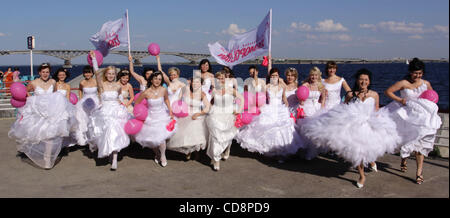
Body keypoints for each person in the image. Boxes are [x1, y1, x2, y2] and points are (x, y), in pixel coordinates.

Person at [299, 69, 400, 188]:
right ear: (357, 80)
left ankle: (371, 160)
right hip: (354, 127)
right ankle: (362, 175)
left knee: (370, 149)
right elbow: (343, 109)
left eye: (366, 80)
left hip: (369, 125)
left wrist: (378, 121)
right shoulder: (350, 95)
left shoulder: (374, 94)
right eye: (361, 79)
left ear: (369, 81)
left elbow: (376, 109)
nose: (363, 82)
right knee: (357, 152)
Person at [383, 57, 442, 184]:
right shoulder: (404, 83)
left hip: (421, 119)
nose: (418, 75)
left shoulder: (426, 84)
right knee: (405, 141)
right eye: (415, 73)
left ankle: (419, 173)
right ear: (410, 72)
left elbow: (432, 99)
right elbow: (388, 91)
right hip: (406, 116)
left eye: (420, 73)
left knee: (419, 145)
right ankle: (404, 159)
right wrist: (400, 100)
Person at [8, 63, 73, 169]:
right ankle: (40, 153)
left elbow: (55, 95)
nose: (45, 74)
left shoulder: (53, 82)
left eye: (47, 72)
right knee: (40, 134)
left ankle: (47, 158)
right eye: (43, 72)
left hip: (51, 112)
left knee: (51, 135)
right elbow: (26, 92)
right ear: (39, 72)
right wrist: (33, 101)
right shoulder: (33, 82)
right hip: (38, 112)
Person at [236, 68, 302, 161]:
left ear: (279, 76)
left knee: (281, 131)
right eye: (272, 76)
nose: (274, 77)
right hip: (269, 109)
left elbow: (284, 98)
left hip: (280, 110)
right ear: (270, 77)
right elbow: (261, 98)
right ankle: (269, 151)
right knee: (268, 130)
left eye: (276, 75)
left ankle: (281, 153)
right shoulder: (266, 87)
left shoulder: (282, 87)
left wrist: (287, 106)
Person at [87, 51, 131, 171]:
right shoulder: (102, 85)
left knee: (115, 133)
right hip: (105, 111)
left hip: (116, 111)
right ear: (105, 74)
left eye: (113, 73)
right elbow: (96, 72)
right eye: (109, 73)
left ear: (115, 75)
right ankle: (109, 153)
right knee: (106, 134)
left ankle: (115, 159)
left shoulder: (118, 86)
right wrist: (94, 59)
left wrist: (123, 106)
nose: (111, 75)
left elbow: (119, 98)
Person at [135, 71, 176, 167]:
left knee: (161, 138)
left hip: (162, 116)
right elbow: (137, 103)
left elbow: (166, 100)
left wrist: (170, 110)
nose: (157, 81)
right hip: (150, 117)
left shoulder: (163, 90)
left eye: (159, 79)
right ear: (151, 79)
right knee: (152, 140)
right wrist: (141, 114)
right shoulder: (146, 92)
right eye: (155, 78)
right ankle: (157, 153)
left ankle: (162, 155)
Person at [206, 70, 244, 171]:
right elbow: (211, 102)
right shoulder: (214, 91)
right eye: (218, 78)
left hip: (229, 114)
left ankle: (227, 149)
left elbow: (242, 99)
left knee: (228, 136)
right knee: (216, 137)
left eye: (222, 78)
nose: (220, 80)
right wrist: (208, 110)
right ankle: (216, 159)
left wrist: (239, 111)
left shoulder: (231, 90)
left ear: (225, 79)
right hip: (216, 114)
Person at [167, 77, 211, 160]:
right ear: (190, 83)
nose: (195, 84)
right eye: (193, 82)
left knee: (195, 133)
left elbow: (207, 107)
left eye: (197, 82)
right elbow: (177, 100)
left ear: (201, 84)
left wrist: (198, 113)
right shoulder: (186, 90)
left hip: (197, 115)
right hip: (185, 114)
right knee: (185, 134)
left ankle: (196, 152)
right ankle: (188, 151)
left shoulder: (202, 94)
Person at [74, 65, 99, 146]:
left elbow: (100, 91)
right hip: (85, 103)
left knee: (94, 121)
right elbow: (80, 91)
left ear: (92, 73)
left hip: (95, 102)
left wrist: (100, 100)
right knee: (84, 121)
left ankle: (95, 138)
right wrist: (80, 99)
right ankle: (85, 138)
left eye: (89, 72)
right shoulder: (82, 82)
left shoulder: (96, 81)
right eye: (85, 73)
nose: (87, 74)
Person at [53, 68, 77, 148]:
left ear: (66, 76)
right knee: (56, 126)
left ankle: (64, 145)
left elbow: (67, 97)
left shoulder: (67, 86)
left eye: (63, 75)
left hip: (64, 107)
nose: (61, 76)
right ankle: (56, 144)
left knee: (64, 126)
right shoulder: (55, 85)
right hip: (56, 107)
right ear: (57, 76)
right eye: (60, 75)